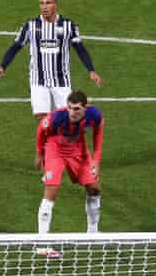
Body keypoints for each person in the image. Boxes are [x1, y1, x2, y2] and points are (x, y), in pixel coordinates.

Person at [0, 0, 103, 128]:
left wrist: (91, 70)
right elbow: (16, 46)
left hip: (61, 80)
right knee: (43, 119)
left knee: (68, 119)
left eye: (48, 3)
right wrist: (2, 66)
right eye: (41, 3)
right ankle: (49, 141)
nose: (44, 6)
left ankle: (65, 138)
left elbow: (80, 49)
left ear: (55, 4)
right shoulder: (30, 26)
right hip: (38, 79)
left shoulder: (68, 25)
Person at [34, 90, 104, 257]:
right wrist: (39, 153)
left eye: (77, 109)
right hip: (55, 148)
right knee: (52, 189)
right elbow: (41, 129)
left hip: (77, 148)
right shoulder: (57, 116)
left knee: (94, 188)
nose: (72, 112)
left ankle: (92, 233)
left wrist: (96, 160)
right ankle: (42, 244)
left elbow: (98, 133)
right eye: (70, 108)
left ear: (85, 107)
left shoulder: (95, 115)